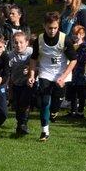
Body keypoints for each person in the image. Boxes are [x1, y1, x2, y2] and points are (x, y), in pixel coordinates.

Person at [28, 11, 78, 142]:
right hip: (45, 73)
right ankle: (44, 131)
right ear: (44, 26)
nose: (52, 31)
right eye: (50, 28)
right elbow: (33, 58)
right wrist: (32, 75)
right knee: (45, 102)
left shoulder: (65, 39)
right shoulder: (39, 40)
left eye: (55, 28)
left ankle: (55, 111)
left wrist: (63, 76)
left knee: (56, 103)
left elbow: (73, 60)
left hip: (61, 74)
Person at [7, 31, 34, 136]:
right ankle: (20, 125)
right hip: (16, 84)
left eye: (21, 42)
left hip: (28, 83)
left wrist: (31, 69)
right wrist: (10, 90)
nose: (18, 45)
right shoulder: (10, 55)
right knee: (18, 106)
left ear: (27, 42)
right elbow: (8, 74)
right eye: (16, 42)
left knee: (24, 103)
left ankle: (23, 124)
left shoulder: (31, 52)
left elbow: (39, 67)